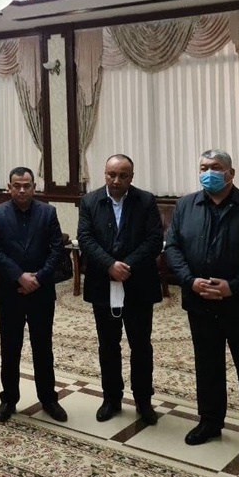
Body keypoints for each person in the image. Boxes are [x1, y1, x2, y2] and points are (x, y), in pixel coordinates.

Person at [164, 149, 239, 463]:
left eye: (215, 167)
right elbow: (173, 247)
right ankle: (210, 421)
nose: (208, 173)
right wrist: (190, 281)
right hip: (199, 302)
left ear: (231, 172)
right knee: (207, 365)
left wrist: (233, 286)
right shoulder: (186, 205)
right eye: (203, 167)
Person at [77, 154, 164, 426]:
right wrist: (109, 265)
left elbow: (154, 239)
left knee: (141, 345)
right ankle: (111, 399)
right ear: (105, 174)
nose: (116, 180)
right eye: (111, 174)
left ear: (131, 177)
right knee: (108, 345)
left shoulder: (146, 200)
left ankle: (143, 400)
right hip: (103, 284)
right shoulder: (89, 201)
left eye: (122, 176)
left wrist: (126, 266)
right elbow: (85, 238)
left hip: (138, 284)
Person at [0, 167, 68, 423]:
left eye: (26, 185)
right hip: (10, 293)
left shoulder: (48, 212)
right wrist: (20, 276)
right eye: (17, 185)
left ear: (34, 187)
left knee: (43, 348)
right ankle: (9, 399)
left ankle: (48, 399)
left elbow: (57, 249)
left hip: (41, 293)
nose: (22, 190)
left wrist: (38, 278)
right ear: (9, 187)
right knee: (10, 348)